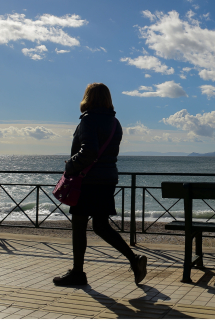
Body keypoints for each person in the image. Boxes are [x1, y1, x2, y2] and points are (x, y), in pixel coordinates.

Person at [53, 83, 148, 286]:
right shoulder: (115, 122)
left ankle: (78, 273)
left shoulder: (88, 120)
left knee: (79, 225)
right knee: (101, 225)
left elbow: (89, 152)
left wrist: (70, 166)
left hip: (87, 181)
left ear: (88, 97)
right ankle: (134, 260)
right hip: (107, 179)